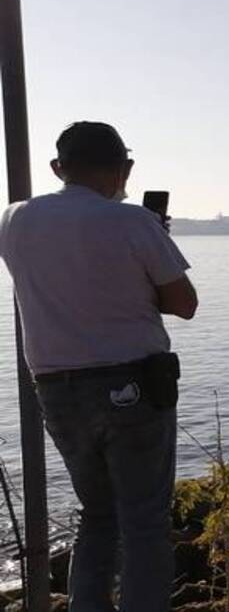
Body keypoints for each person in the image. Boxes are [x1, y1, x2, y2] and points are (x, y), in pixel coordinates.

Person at [0, 121, 197, 612]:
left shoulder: (13, 220)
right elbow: (183, 302)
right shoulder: (132, 222)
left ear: (57, 168)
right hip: (130, 384)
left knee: (98, 516)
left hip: (55, 389)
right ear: (124, 169)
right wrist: (150, 241)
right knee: (145, 522)